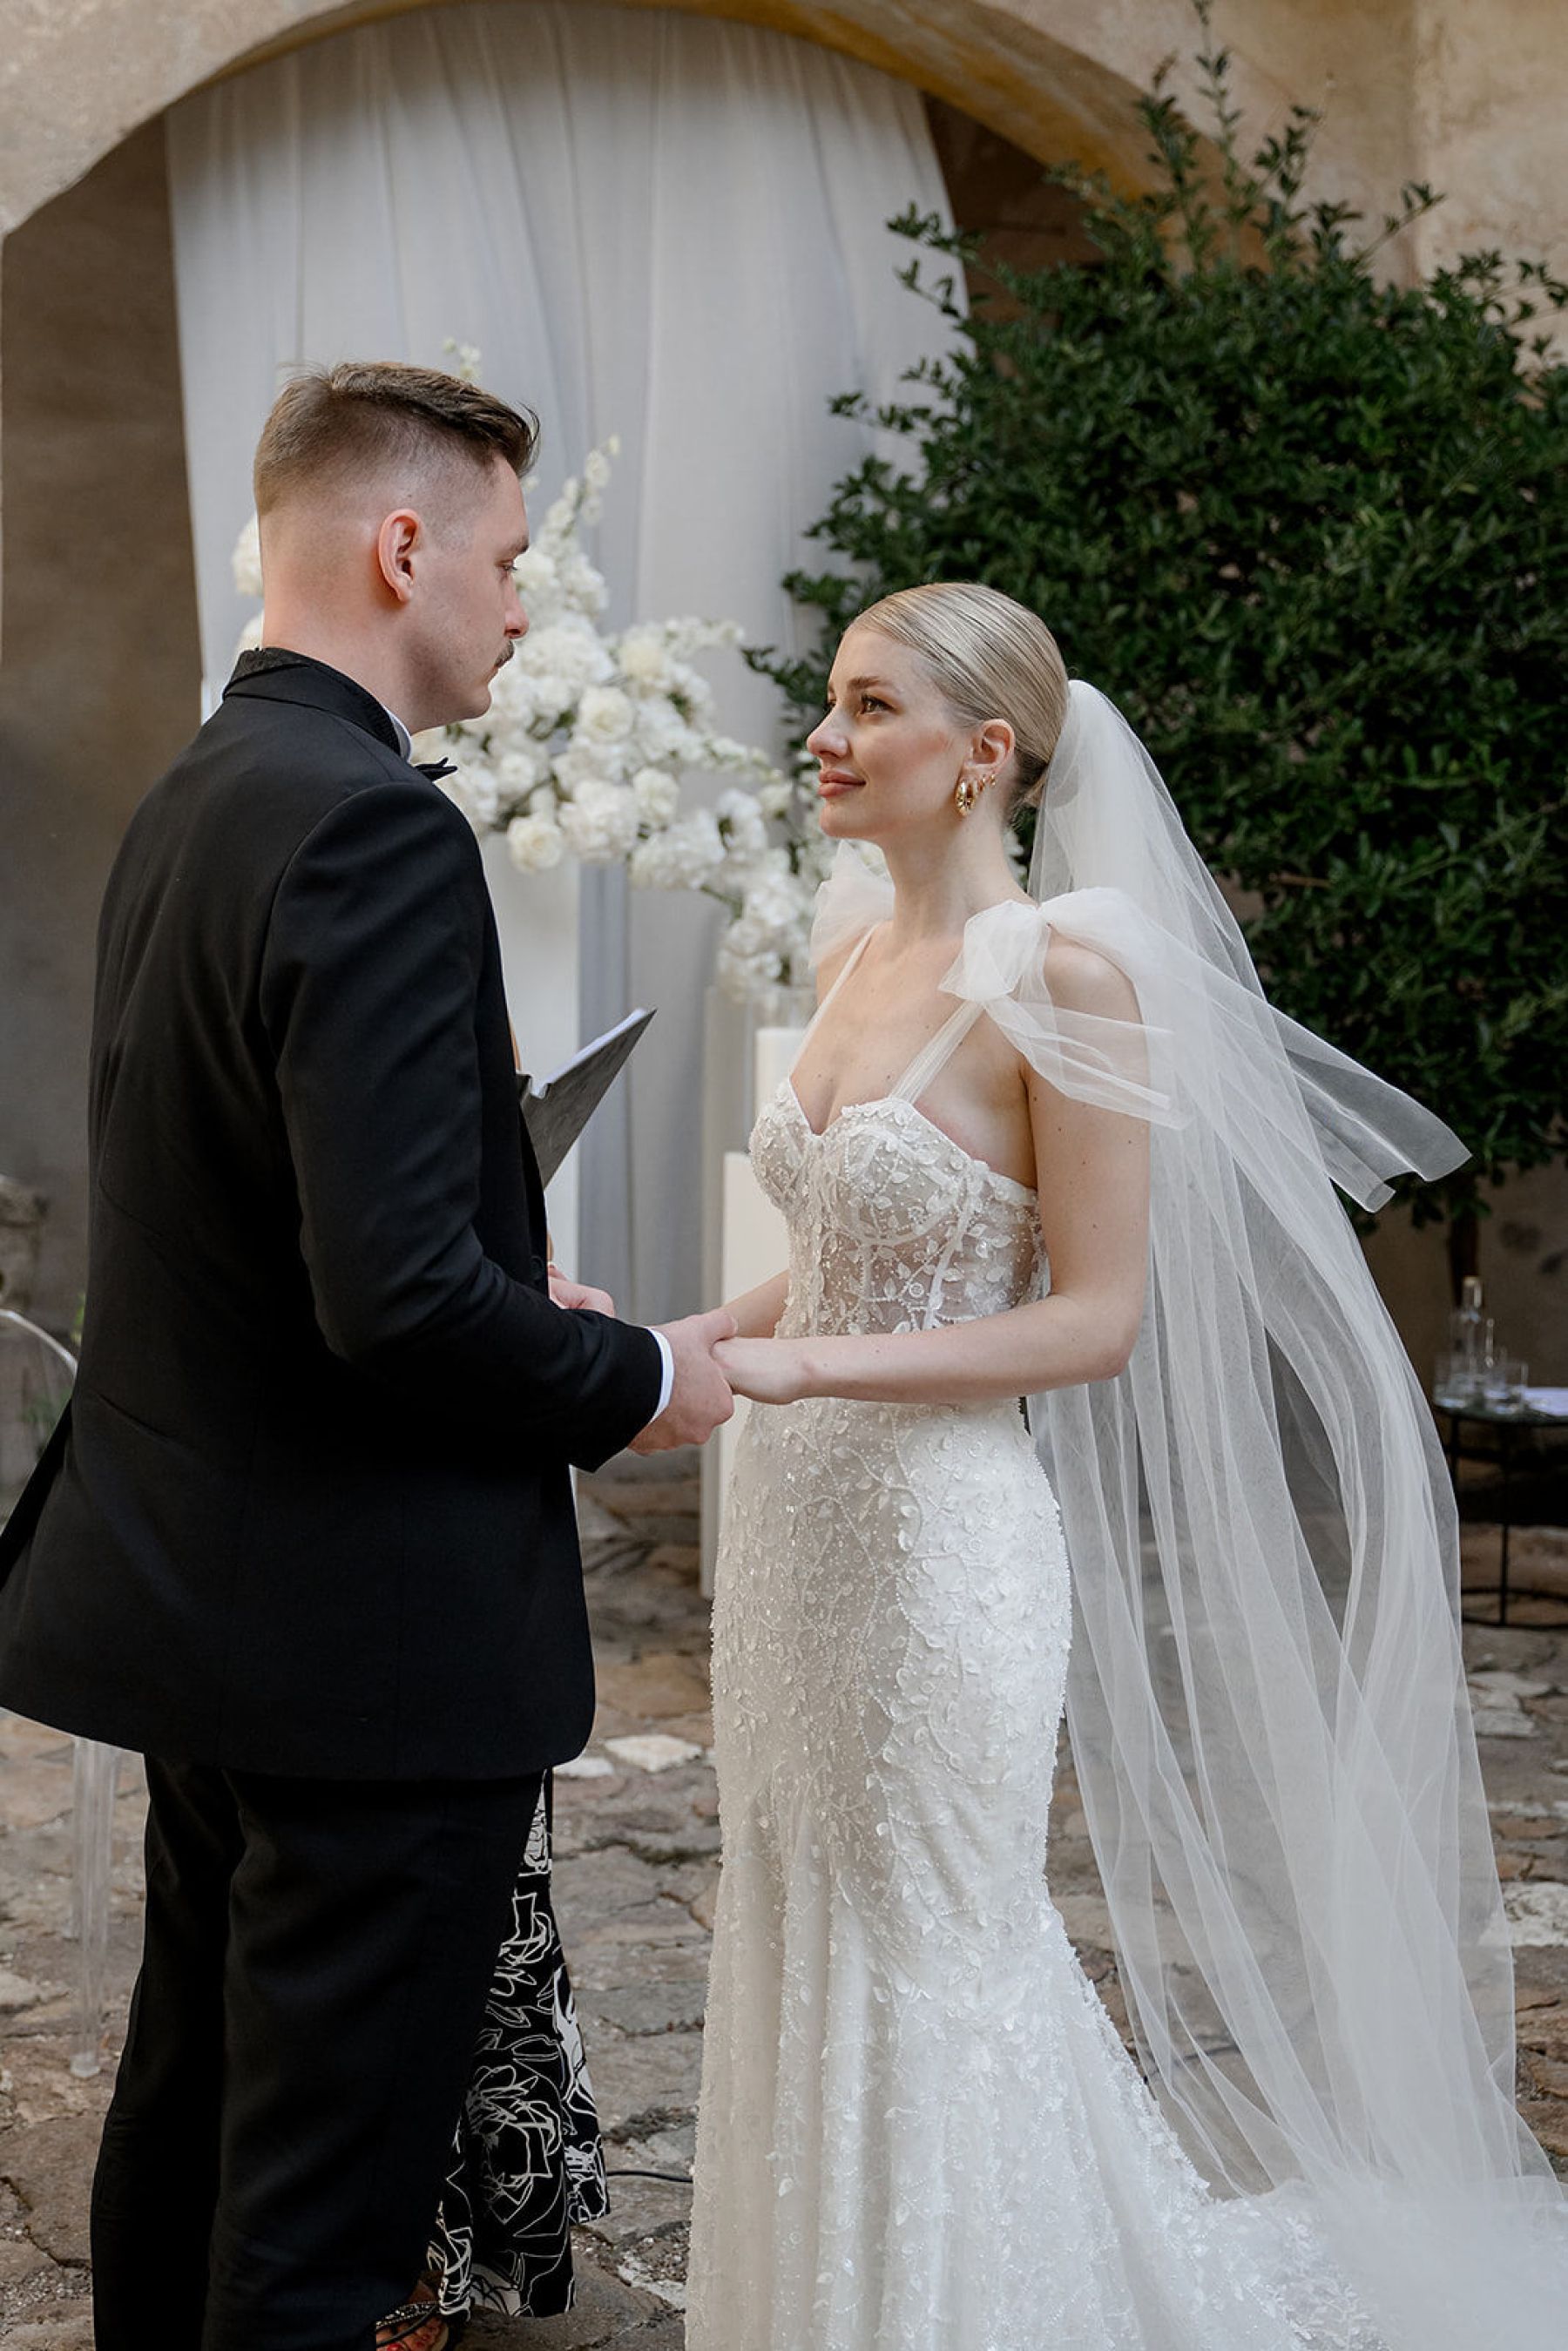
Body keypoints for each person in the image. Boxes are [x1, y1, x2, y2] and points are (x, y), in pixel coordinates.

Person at [686, 582, 1568, 2349]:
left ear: (983, 755)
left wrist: (804, 1363)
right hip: (795, 1535)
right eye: (832, 705)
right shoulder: (853, 949)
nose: (824, 738)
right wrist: (688, 1341)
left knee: (936, 1943)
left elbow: (1094, 1313)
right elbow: (852, 1249)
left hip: (943, 1551)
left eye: (867, 708)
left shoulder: (1068, 977)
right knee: (795, 1898)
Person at [0, 360, 733, 2351]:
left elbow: (266, 1223)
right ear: (400, 544)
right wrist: (641, 1377)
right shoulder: (374, 832)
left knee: (193, 2138)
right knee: (320, 2238)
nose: (518, 607)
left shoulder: (200, 797)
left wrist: (513, 1279)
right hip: (363, 1646)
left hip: (216, 1608)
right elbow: (395, 1301)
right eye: (504, 559)